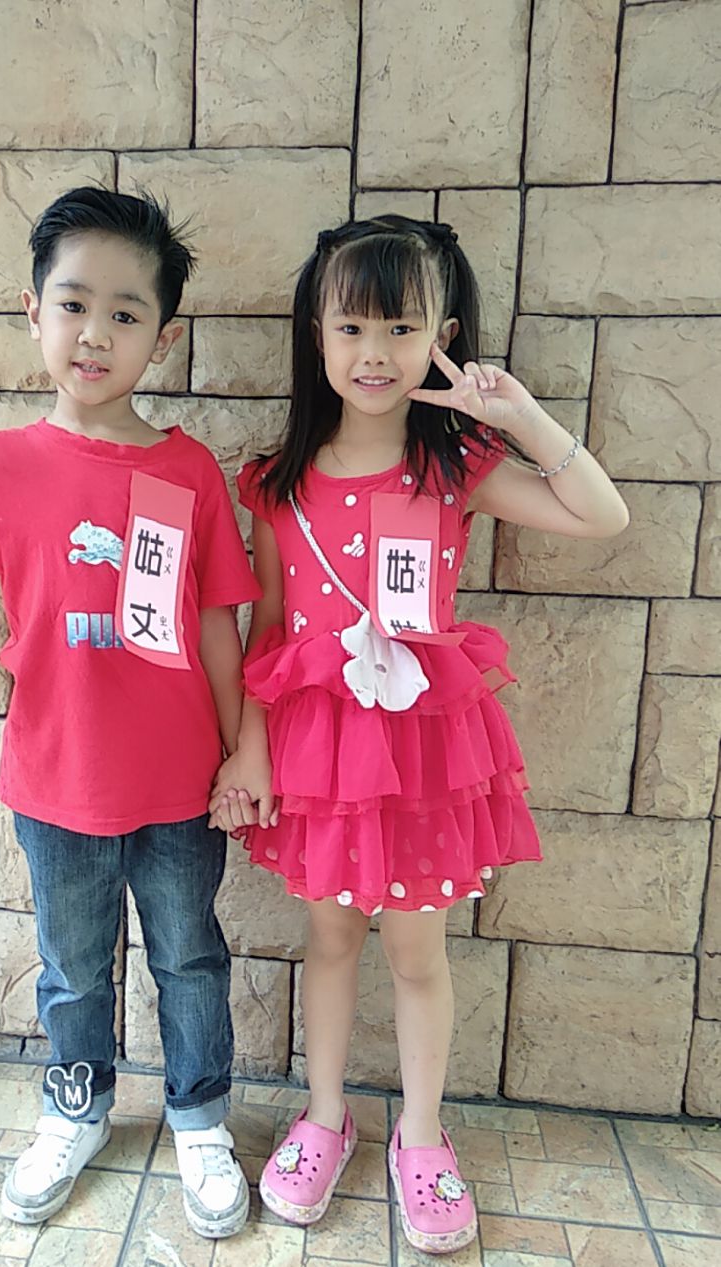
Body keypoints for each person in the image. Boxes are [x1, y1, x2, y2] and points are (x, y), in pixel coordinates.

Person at [0, 187, 258, 1240]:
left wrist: (241, 753)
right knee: (73, 969)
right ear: (34, 313)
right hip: (56, 783)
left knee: (190, 958)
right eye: (73, 304)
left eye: (125, 313)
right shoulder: (0, 465)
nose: (95, 333)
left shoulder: (188, 471)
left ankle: (200, 1118)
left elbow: (219, 629)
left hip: (181, 788)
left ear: (163, 337)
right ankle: (74, 1108)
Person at [209, 215, 629, 1254]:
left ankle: (424, 1133)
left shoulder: (457, 465)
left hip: (422, 757)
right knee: (329, 937)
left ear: (441, 334)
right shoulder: (276, 481)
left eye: (401, 327)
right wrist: (248, 746)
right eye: (352, 326)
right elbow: (265, 625)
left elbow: (600, 516)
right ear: (316, 333)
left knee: (414, 946)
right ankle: (323, 1116)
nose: (375, 352)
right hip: (318, 754)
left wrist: (521, 416)